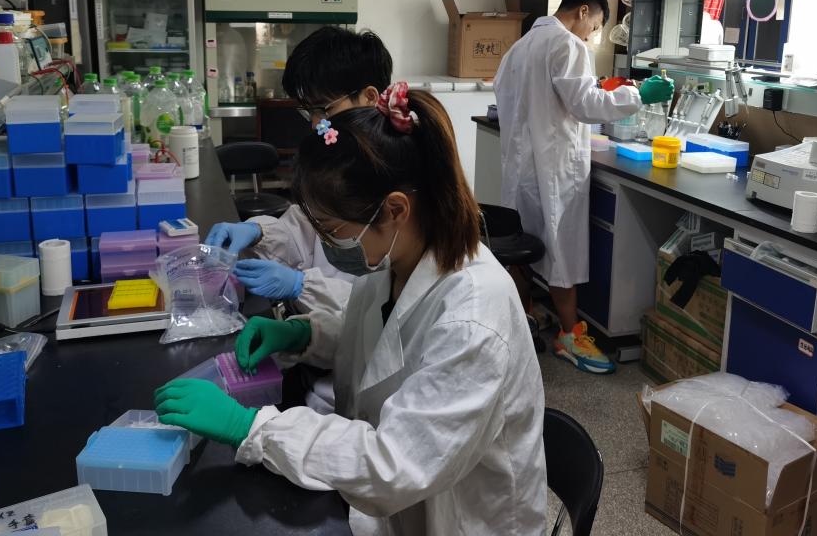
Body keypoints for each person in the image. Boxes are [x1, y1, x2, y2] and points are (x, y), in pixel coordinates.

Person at [156, 84, 546, 536]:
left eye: (330, 228)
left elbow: (394, 465)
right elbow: (391, 343)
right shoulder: (400, 257)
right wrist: (308, 334)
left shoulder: (474, 317)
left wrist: (251, 427)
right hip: (401, 507)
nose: (325, 242)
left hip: (460, 519)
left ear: (395, 210)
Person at [495, 0, 673, 375]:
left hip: (522, 170)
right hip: (553, 170)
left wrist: (601, 91)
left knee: (521, 248)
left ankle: (523, 318)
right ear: (582, 12)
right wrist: (640, 95)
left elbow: (548, 97)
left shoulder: (519, 48)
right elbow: (586, 105)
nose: (590, 36)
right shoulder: (567, 44)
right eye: (594, 27)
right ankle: (569, 336)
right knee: (562, 254)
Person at [206, 26, 393, 321]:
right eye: (309, 111)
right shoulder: (338, 158)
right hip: (320, 331)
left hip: (350, 336)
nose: (315, 123)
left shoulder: (396, 174)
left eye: (323, 109)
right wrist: (259, 233)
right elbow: (306, 228)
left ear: (370, 97)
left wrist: (301, 286)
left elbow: (380, 309)